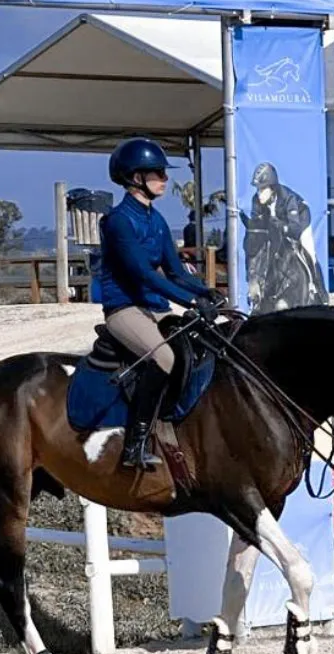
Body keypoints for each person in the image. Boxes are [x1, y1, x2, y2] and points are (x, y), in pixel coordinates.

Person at [98, 138, 225, 471]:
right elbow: (142, 273)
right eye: (158, 173)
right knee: (164, 356)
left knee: (202, 345)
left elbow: (174, 270)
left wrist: (206, 292)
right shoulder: (119, 221)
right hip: (124, 308)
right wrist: (189, 301)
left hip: (153, 307)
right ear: (136, 177)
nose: (165, 180)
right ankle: (134, 444)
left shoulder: (155, 220)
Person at [245, 162, 327, 309]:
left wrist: (282, 228)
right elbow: (256, 225)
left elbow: (294, 229)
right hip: (276, 225)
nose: (259, 194)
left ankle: (319, 291)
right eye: (258, 189)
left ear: (273, 188)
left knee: (309, 251)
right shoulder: (256, 200)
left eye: (263, 189)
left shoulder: (289, 199)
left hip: (299, 222)